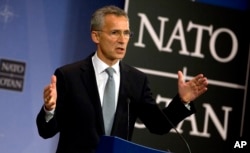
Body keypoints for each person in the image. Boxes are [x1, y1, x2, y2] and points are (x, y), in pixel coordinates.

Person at [36, 5, 208, 153]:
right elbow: (46, 131)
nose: (122, 40)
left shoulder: (136, 80)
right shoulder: (69, 76)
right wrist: (49, 109)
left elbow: (158, 125)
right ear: (96, 36)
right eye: (114, 33)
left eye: (126, 33)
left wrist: (182, 101)